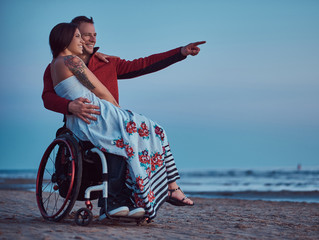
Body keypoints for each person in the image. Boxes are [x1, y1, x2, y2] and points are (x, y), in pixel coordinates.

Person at [45, 20, 205, 220]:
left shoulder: (103, 61)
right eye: (83, 35)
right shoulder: (69, 62)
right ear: (67, 38)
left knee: (143, 133)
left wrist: (179, 52)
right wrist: (71, 106)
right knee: (141, 132)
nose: (92, 38)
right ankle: (142, 194)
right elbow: (54, 96)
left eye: (94, 34)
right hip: (95, 118)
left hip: (95, 120)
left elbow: (143, 64)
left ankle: (140, 195)